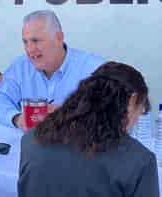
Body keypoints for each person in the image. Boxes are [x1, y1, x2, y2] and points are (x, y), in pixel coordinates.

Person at [18, 61, 159, 197]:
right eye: (140, 110)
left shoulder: (31, 140)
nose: (136, 121)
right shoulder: (139, 161)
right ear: (131, 101)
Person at [0, 10, 105, 128]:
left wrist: (72, 115)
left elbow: (115, 112)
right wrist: (17, 118)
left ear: (59, 38)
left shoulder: (93, 68)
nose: (29, 49)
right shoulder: (20, 67)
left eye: (35, 41)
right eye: (25, 42)